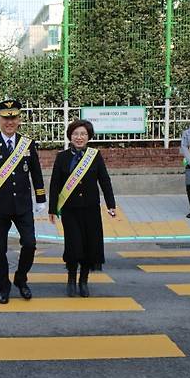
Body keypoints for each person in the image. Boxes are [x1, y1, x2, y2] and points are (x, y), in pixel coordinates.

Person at [0, 99, 46, 304]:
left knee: (30, 244)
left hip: (23, 205)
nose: (9, 122)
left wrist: (41, 198)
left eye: (13, 117)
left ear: (19, 119)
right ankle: (3, 286)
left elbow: (36, 173)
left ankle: (21, 279)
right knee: (0, 249)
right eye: (5, 118)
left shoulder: (27, 144)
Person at [48, 120, 116, 297]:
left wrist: (111, 205)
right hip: (70, 210)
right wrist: (52, 209)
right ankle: (71, 279)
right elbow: (55, 184)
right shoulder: (62, 157)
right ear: (70, 136)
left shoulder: (95, 156)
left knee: (89, 245)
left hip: (90, 209)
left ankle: (83, 281)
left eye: (83, 134)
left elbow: (104, 180)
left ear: (88, 137)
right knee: (73, 245)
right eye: (76, 134)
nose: (79, 137)